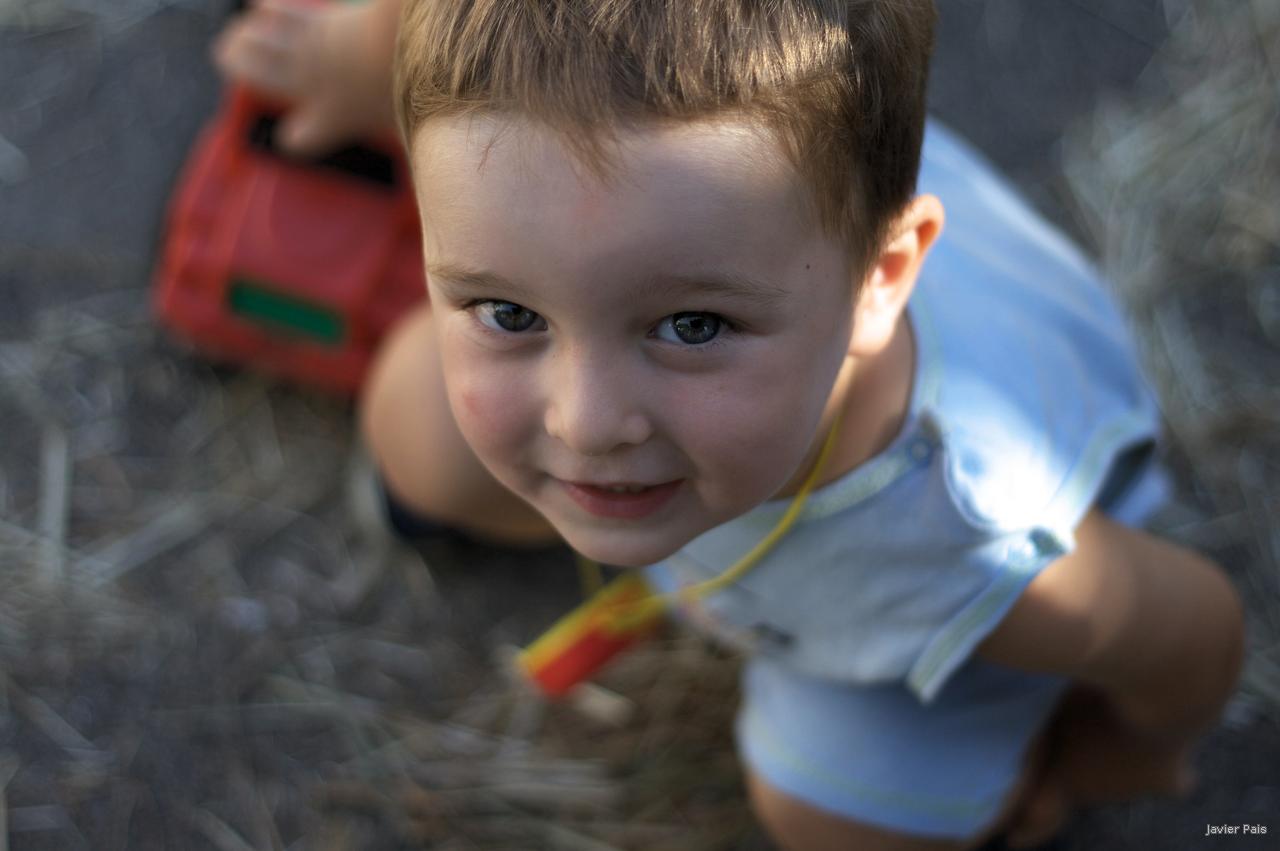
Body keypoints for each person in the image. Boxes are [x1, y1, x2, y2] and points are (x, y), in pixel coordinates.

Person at [217, 2, 1246, 849]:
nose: (587, 421)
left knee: (833, 817)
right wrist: (357, 63)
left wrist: (1115, 753)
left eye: (691, 325)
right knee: (422, 422)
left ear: (879, 279)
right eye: (509, 311)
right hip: (785, 218)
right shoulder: (566, 113)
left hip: (887, 571)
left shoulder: (974, 543)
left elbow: (1190, 624)